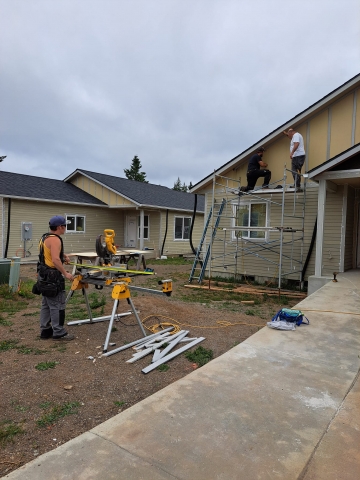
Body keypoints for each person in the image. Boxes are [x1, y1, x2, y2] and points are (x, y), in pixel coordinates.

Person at [39, 215, 75, 341]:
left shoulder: (46, 237)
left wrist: (63, 255)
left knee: (46, 304)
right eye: (65, 226)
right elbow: (55, 259)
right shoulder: (56, 240)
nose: (65, 228)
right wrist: (66, 273)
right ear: (60, 227)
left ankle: (45, 330)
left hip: (44, 275)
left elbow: (49, 252)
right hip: (53, 277)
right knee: (57, 305)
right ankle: (58, 332)